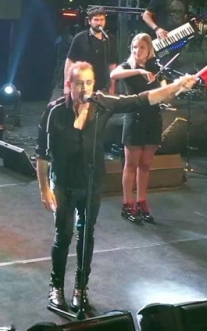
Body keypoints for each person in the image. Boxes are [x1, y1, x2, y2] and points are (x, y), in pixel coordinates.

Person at [36, 61, 197, 311]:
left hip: (91, 182)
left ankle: (80, 288)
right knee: (63, 235)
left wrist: (176, 86)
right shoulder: (54, 111)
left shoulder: (102, 105)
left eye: (88, 83)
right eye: (79, 83)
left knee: (86, 234)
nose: (84, 88)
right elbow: (42, 154)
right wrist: (44, 189)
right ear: (69, 84)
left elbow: (142, 99)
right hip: (63, 183)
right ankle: (56, 287)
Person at [109, 34, 164, 224]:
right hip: (134, 118)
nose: (137, 51)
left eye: (141, 47)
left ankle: (141, 202)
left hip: (153, 119)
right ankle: (128, 204)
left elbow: (164, 92)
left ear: (149, 49)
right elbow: (113, 75)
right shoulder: (127, 66)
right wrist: (139, 71)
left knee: (146, 165)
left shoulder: (155, 67)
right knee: (131, 164)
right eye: (134, 47)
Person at [64, 7, 118, 94]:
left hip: (102, 87)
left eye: (102, 20)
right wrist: (66, 85)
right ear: (89, 21)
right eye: (96, 20)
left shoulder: (109, 39)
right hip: (82, 84)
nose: (99, 23)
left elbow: (112, 64)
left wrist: (112, 86)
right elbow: (70, 60)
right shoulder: (80, 38)